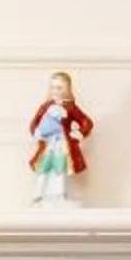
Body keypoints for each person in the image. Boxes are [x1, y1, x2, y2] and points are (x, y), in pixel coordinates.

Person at [28, 69, 93, 205]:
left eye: (59, 87)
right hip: (47, 144)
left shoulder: (70, 107)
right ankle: (38, 194)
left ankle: (59, 195)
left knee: (60, 168)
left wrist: (79, 132)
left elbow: (86, 121)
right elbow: (35, 122)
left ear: (67, 89)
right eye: (53, 87)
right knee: (43, 167)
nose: (55, 90)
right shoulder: (45, 106)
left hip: (62, 144)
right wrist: (36, 133)